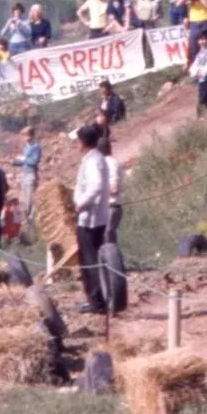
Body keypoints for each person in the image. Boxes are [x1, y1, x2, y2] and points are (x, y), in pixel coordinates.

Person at [71, 123, 111, 314]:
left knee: (90, 260)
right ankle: (95, 298)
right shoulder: (96, 158)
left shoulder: (93, 161)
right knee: (92, 258)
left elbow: (95, 186)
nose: (76, 144)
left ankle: (96, 300)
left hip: (90, 218)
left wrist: (81, 203)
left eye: (78, 141)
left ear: (83, 142)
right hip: (96, 216)